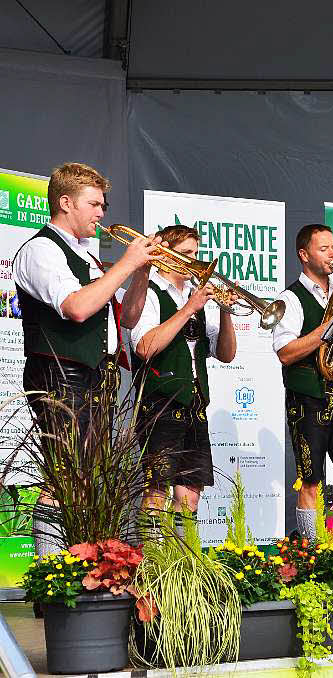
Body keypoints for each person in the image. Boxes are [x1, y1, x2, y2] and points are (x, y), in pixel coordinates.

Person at [13, 162, 160, 555]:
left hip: (94, 376)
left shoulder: (87, 257)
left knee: (81, 479)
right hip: (60, 374)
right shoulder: (41, 250)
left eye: (103, 204)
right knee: (62, 479)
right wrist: (126, 263)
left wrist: (141, 274)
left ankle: (76, 567)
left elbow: (126, 318)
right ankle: (53, 575)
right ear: (65, 202)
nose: (102, 213)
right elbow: (76, 308)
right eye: (94, 204)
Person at [130, 225, 238, 536]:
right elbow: (145, 347)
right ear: (165, 255)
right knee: (157, 490)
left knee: (190, 493)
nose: (195, 260)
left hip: (195, 403)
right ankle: (153, 564)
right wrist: (188, 309)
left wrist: (226, 312)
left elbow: (226, 355)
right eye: (187, 253)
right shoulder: (149, 294)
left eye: (196, 253)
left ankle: (182, 567)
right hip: (160, 403)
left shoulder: (197, 296)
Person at [273, 224, 333, 540]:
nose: (332, 254)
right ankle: (312, 554)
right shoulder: (291, 298)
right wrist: (326, 330)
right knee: (311, 481)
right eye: (323, 249)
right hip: (309, 400)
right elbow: (286, 353)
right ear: (304, 255)